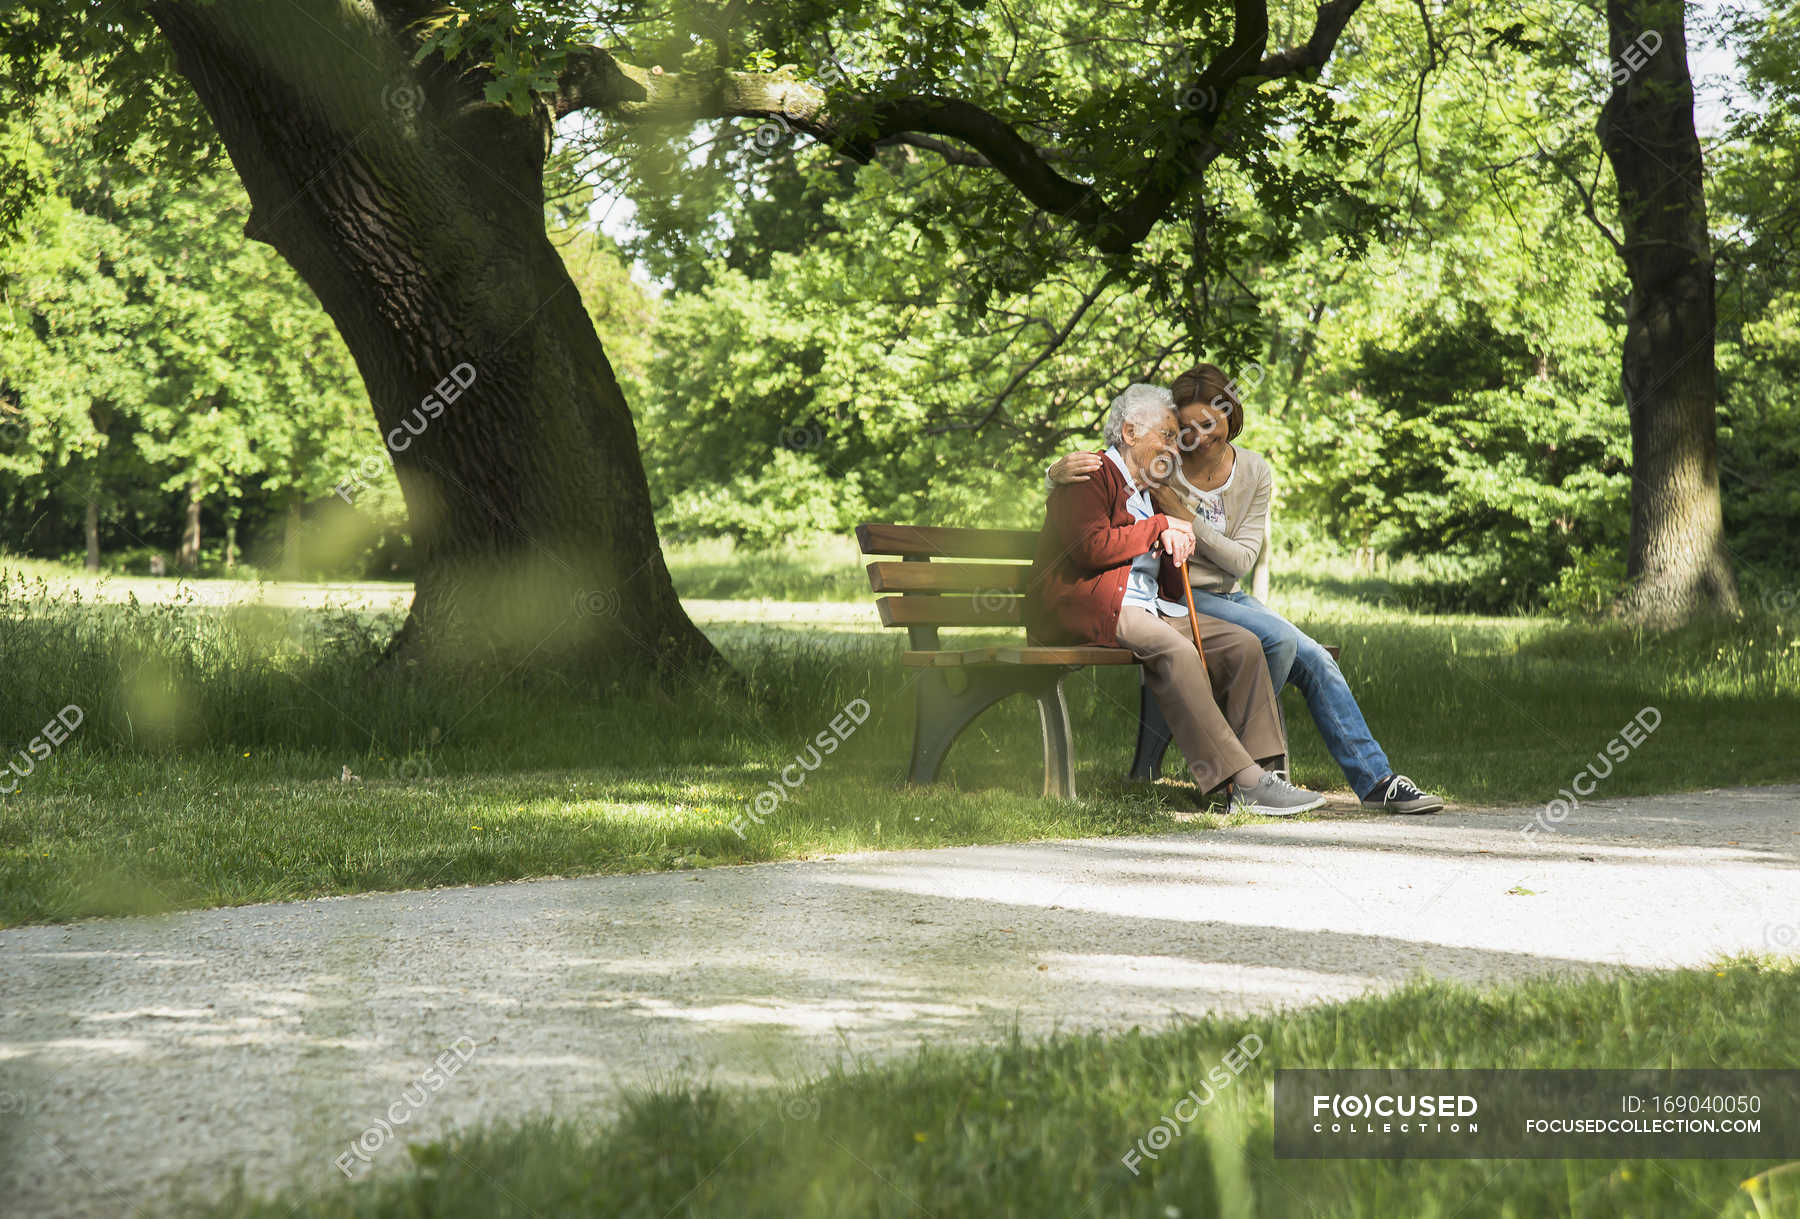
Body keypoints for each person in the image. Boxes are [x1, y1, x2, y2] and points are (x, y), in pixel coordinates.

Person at [1047, 365, 1443, 814]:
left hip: (1192, 598)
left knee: (1260, 647)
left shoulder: (1234, 470)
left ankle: (1355, 779)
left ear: (1229, 416)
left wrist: (1180, 522)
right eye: (1177, 429)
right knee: (1270, 640)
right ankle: (1246, 781)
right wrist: (1057, 472)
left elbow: (1236, 560)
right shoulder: (1156, 471)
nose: (1186, 439)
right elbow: (1090, 510)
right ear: (1137, 430)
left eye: (1201, 425)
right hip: (1156, 602)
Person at [1026, 383, 1327, 816]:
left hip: (1147, 607)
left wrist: (1173, 542)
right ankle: (1239, 781)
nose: (1175, 446)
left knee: (1242, 644)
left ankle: (1266, 773)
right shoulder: (1089, 475)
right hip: (1093, 606)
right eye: (1167, 435)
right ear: (1130, 433)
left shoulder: (1148, 488)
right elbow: (1090, 547)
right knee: (1175, 649)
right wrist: (1159, 528)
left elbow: (1157, 560)